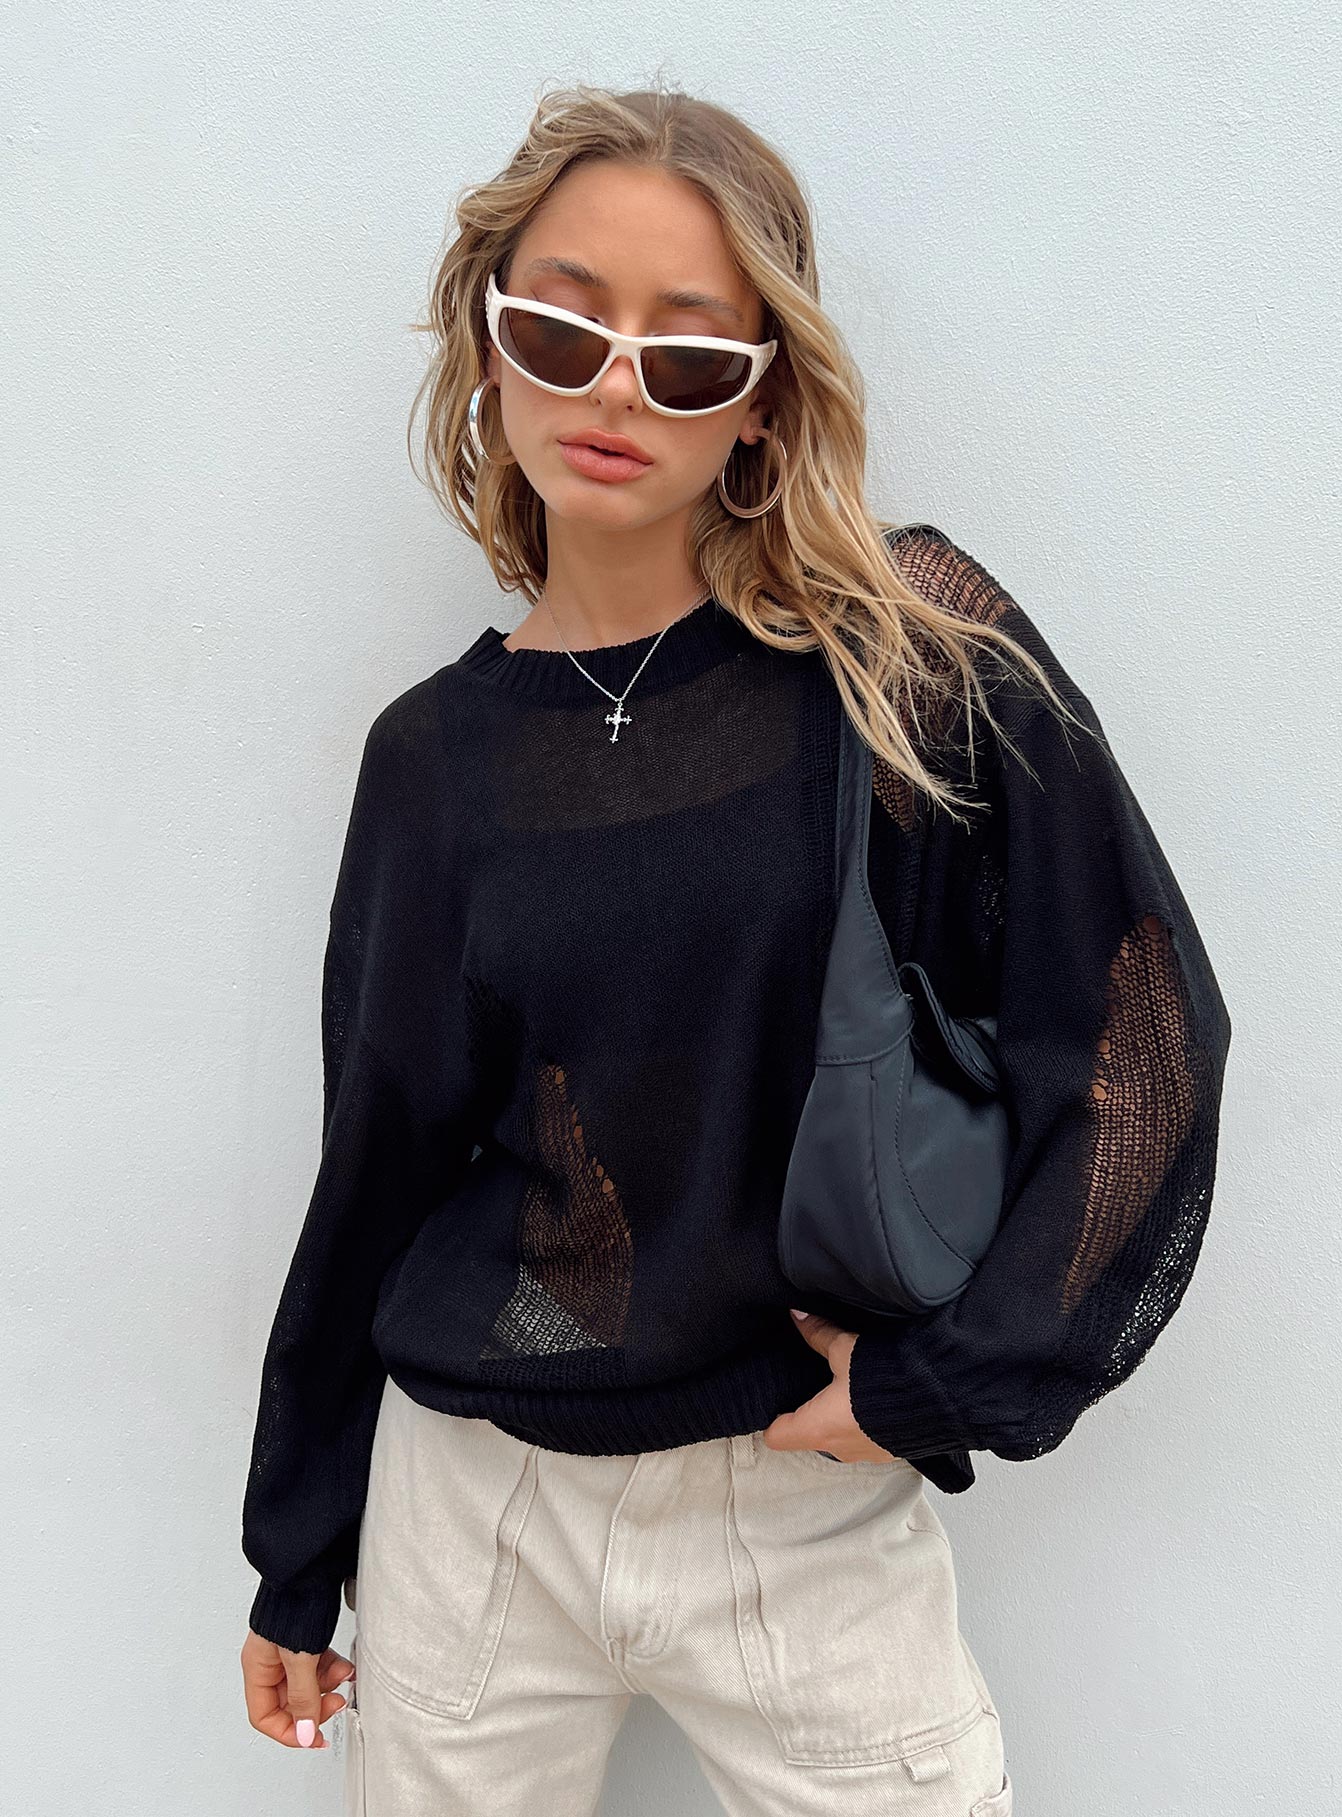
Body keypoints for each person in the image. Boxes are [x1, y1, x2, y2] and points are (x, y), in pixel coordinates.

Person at [238, 83, 1231, 1815]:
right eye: (563, 331)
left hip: (795, 1499)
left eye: (689, 356)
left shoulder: (906, 657)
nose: (615, 388)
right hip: (476, 1509)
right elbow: (381, 1161)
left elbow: (1140, 1030)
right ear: (489, 347)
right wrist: (297, 1549)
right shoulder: (434, 759)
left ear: (762, 399)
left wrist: (953, 1379)